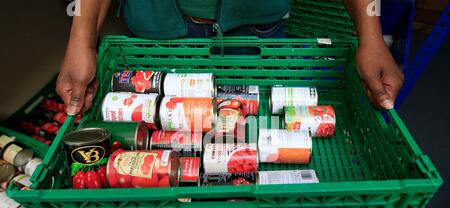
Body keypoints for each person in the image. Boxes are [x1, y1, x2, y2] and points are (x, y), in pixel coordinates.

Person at [57, 0, 404, 115]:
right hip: (157, 31)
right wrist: (81, 39)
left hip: (254, 30)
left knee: (250, 123)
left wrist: (371, 37)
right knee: (167, 129)